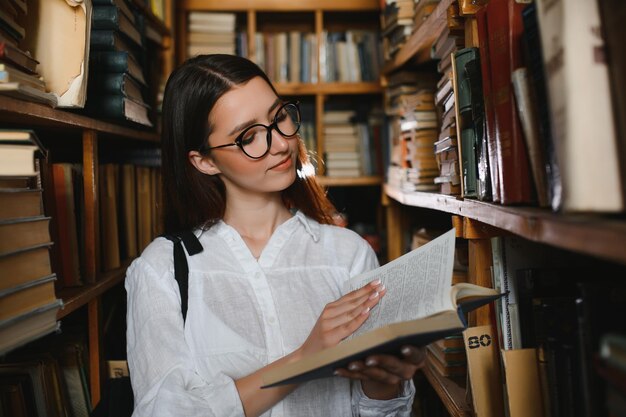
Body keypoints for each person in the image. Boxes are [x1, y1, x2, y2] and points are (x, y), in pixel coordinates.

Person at [125, 54, 425, 417]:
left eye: (279, 116)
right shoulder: (162, 268)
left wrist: (384, 383)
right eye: (248, 136)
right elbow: (164, 411)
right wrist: (303, 359)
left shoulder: (348, 254)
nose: (282, 144)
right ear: (204, 161)